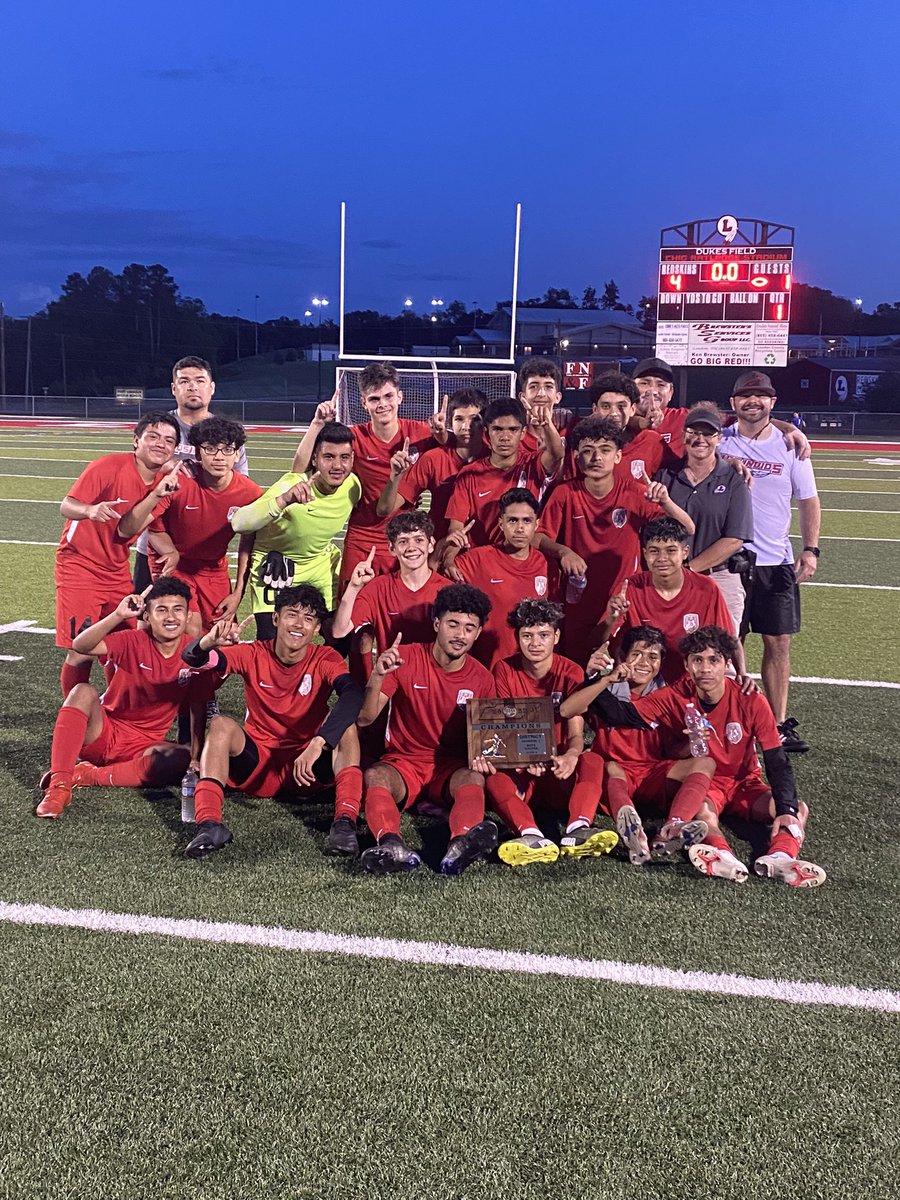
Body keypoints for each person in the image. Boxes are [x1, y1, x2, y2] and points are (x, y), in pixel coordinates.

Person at [582, 625, 826, 887]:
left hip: (745, 782)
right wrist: (593, 678)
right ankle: (722, 854)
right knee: (703, 813)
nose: (705, 668)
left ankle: (780, 856)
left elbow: (776, 758)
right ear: (687, 665)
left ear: (727, 664)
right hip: (706, 785)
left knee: (796, 808)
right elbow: (621, 715)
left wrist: (786, 809)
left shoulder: (751, 698)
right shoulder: (675, 694)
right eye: (697, 660)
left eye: (714, 660)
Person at [179, 584, 365, 859]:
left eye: (309, 619)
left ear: (316, 630)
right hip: (259, 768)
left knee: (345, 726)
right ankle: (209, 824)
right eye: (292, 614)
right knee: (219, 725)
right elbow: (195, 658)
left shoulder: (325, 657)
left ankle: (344, 823)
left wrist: (319, 742)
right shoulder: (253, 652)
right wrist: (208, 641)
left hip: (308, 769)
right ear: (276, 619)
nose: (298, 624)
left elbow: (353, 693)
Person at [36, 579, 211, 819]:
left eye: (177, 609)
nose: (170, 617)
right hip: (104, 732)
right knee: (82, 692)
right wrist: (118, 615)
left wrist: (194, 757)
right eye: (161, 610)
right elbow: (80, 645)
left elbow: (197, 707)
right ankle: (59, 787)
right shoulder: (133, 640)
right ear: (147, 617)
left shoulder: (193, 653)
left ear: (187, 616)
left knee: (179, 758)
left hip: (143, 747)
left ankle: (86, 775)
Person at [356, 583, 498, 876]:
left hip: (448, 769)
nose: (460, 635)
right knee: (375, 775)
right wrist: (378, 675)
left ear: (479, 633)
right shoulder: (404, 659)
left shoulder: (483, 679)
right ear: (437, 623)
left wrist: (488, 757)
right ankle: (391, 845)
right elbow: (365, 718)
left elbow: (487, 742)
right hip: (404, 762)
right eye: (453, 624)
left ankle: (460, 844)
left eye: (469, 628)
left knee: (473, 777)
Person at [536, 417, 695, 661]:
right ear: (577, 457)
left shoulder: (634, 491)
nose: (596, 458)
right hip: (578, 599)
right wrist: (564, 552)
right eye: (587, 451)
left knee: (626, 670)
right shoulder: (565, 493)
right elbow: (538, 537)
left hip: (623, 599)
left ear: (618, 456)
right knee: (577, 669)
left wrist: (666, 502)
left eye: (605, 450)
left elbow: (687, 529)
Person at [721, 371, 821, 751]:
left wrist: (811, 549)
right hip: (731, 560)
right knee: (731, 643)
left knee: (778, 643)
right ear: (732, 403)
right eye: (745, 396)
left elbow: (808, 499)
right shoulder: (719, 441)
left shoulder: (791, 446)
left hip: (776, 561)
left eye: (761, 397)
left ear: (772, 402)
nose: (753, 402)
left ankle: (778, 724)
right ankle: (734, 720)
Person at [55, 412, 181, 697]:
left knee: (125, 644)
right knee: (80, 649)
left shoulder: (165, 487)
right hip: (80, 565)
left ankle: (115, 709)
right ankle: (75, 716)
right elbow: (67, 505)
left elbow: (132, 528)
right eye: (153, 436)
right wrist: (89, 510)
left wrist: (170, 551)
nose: (161, 444)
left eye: (169, 440)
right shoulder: (107, 466)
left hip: (115, 569)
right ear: (136, 440)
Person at [487, 599, 615, 866]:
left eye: (543, 635)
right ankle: (530, 835)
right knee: (492, 777)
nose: (535, 643)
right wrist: (521, 760)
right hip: (524, 772)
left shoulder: (570, 671)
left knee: (592, 760)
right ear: (517, 637)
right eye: (527, 635)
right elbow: (501, 730)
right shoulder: (503, 669)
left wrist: (569, 756)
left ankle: (577, 828)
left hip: (558, 771)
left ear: (555, 637)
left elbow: (577, 734)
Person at [291, 364, 440, 586]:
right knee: (349, 610)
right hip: (362, 537)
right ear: (364, 403)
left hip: (405, 539)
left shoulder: (422, 435)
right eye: (374, 399)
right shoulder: (355, 438)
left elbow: (456, 461)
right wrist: (317, 424)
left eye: (388, 396)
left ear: (400, 397)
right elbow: (299, 468)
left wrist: (446, 437)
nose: (383, 404)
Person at [562, 625, 693, 866]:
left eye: (653, 657)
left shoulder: (667, 696)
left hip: (652, 776)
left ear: (662, 663)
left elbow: (673, 751)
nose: (644, 662)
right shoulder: (606, 689)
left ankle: (673, 826)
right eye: (637, 654)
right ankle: (631, 828)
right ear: (622, 657)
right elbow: (567, 710)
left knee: (703, 764)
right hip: (614, 779)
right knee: (607, 764)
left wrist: (690, 741)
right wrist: (601, 680)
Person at [117, 416, 262, 631]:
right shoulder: (179, 483)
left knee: (222, 633)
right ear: (197, 453)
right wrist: (171, 553)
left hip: (213, 566)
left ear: (238, 454)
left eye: (227, 450)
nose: (219, 457)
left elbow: (248, 545)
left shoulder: (250, 493)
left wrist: (237, 592)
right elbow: (153, 530)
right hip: (173, 561)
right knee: (188, 626)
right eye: (210, 449)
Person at [230, 420, 361, 639]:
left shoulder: (353, 486)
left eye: (344, 458)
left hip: (318, 565)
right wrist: (285, 499)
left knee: (341, 634)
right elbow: (239, 523)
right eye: (328, 457)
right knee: (273, 642)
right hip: (276, 566)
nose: (337, 466)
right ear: (314, 459)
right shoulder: (292, 484)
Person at [132, 357, 250, 592]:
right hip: (155, 546)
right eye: (184, 381)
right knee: (146, 618)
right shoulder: (157, 429)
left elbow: (240, 487)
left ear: (212, 387)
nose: (192, 387)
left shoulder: (227, 434)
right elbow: (135, 478)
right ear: (174, 388)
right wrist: (165, 466)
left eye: (199, 380)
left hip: (206, 550)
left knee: (206, 624)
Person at [597, 516, 749, 684]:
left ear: (685, 552)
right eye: (654, 551)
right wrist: (611, 619)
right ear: (645, 553)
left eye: (670, 550)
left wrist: (742, 673)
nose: (662, 558)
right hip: (641, 682)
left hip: (689, 683)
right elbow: (596, 641)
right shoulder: (630, 587)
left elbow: (727, 637)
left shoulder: (706, 588)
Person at [653, 404, 754, 635]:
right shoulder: (666, 475)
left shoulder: (734, 480)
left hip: (719, 576)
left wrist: (690, 569)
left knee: (721, 651)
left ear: (719, 438)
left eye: (708, 433)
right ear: (683, 435)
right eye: (693, 432)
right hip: (670, 577)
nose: (700, 439)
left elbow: (735, 538)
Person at [443, 397, 563, 562]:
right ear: (487, 433)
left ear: (522, 433)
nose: (505, 437)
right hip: (483, 562)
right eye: (498, 429)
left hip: (524, 562)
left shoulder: (533, 465)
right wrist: (449, 558)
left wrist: (546, 425)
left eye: (512, 430)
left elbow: (557, 454)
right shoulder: (469, 474)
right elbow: (455, 529)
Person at [332, 511, 446, 673]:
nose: (411, 548)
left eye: (419, 540)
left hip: (433, 679)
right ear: (391, 548)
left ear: (431, 544)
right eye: (403, 541)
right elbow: (340, 630)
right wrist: (353, 588)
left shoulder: (447, 590)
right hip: (391, 681)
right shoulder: (378, 588)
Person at [448, 489, 551, 669]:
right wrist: (449, 553)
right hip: (486, 668)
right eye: (512, 520)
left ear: (536, 524)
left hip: (528, 672)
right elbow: (435, 575)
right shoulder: (478, 559)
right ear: (501, 524)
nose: (520, 528)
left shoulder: (545, 564)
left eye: (526, 521)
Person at [375, 388, 487, 541]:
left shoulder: (496, 457)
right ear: (450, 422)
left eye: (475, 419)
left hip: (485, 552)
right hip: (440, 549)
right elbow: (385, 510)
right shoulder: (433, 459)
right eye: (459, 419)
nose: (466, 426)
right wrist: (395, 476)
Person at [589, 370, 679, 482]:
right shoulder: (583, 444)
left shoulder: (651, 441)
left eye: (621, 406)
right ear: (595, 410)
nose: (614, 413)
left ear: (632, 409)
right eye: (606, 406)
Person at [632, 357, 688, 457]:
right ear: (631, 388)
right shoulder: (620, 419)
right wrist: (637, 422)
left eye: (661, 385)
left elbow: (716, 420)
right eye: (644, 383)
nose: (653, 391)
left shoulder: (682, 418)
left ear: (670, 392)